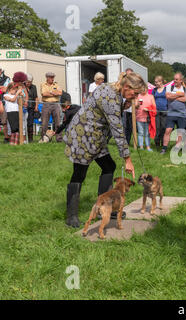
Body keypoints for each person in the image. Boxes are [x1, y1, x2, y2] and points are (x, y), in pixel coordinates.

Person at [63, 72, 145, 228]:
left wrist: (124, 105)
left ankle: (106, 207)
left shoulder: (113, 90)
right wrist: (127, 159)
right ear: (127, 86)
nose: (134, 98)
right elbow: (117, 129)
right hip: (82, 136)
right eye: (134, 94)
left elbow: (108, 115)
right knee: (79, 174)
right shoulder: (111, 96)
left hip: (97, 138)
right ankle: (71, 216)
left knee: (109, 167)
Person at [161, 72, 186, 154]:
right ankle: (164, 148)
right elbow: (167, 97)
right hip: (171, 113)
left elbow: (185, 100)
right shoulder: (169, 87)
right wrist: (179, 95)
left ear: (181, 80)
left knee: (180, 132)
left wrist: (173, 96)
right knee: (168, 130)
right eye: (174, 79)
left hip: (182, 114)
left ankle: (176, 148)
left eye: (176, 79)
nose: (175, 81)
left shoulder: (185, 89)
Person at [41, 72, 63, 142]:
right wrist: (53, 92)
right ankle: (44, 138)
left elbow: (60, 93)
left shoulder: (56, 84)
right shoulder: (43, 85)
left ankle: (59, 138)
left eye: (53, 77)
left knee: (58, 122)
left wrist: (50, 92)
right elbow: (44, 94)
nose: (52, 79)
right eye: (51, 77)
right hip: (46, 104)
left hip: (56, 104)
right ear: (47, 78)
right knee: (44, 122)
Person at [153, 76, 168, 149]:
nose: (156, 83)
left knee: (163, 127)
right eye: (155, 82)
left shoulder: (166, 89)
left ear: (161, 81)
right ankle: (157, 143)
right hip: (156, 111)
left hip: (165, 111)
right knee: (157, 128)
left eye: (157, 82)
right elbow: (152, 99)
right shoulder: (154, 90)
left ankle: (163, 142)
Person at [25, 74, 39, 143]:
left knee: (30, 123)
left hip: (31, 107)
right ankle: (24, 138)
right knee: (24, 122)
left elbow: (36, 97)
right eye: (27, 82)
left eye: (30, 82)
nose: (28, 83)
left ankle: (30, 139)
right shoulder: (22, 86)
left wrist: (36, 106)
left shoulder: (34, 87)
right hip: (24, 107)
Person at [122, 68, 135, 144]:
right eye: (127, 74)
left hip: (131, 109)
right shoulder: (123, 83)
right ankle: (123, 142)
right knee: (123, 126)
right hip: (123, 108)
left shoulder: (134, 83)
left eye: (130, 74)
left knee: (130, 127)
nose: (128, 75)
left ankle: (127, 141)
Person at [0, 67, 11, 142]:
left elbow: (5, 89)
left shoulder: (7, 78)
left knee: (4, 121)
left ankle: (6, 137)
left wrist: (3, 88)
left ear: (1, 71)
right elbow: (2, 88)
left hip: (3, 102)